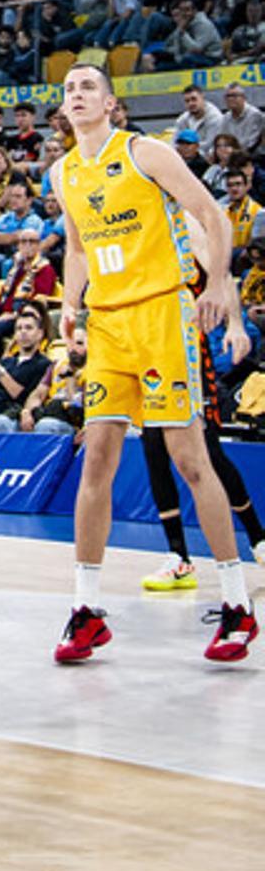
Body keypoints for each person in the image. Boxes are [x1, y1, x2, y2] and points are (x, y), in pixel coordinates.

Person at [52, 62, 257, 665]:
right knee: (97, 460)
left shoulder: (146, 154)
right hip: (107, 324)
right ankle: (86, 609)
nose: (77, 95)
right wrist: (70, 304)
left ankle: (237, 603)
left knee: (191, 460)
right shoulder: (63, 172)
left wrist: (217, 284)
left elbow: (212, 215)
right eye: (69, 89)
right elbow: (77, 248)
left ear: (111, 104)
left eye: (88, 87)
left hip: (163, 315)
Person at [139, 213, 265, 590]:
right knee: (152, 446)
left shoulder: (180, 219)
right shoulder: (130, 221)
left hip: (186, 349)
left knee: (206, 451)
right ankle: (178, 556)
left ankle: (258, 538)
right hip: (145, 347)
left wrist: (236, 325)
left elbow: (221, 276)